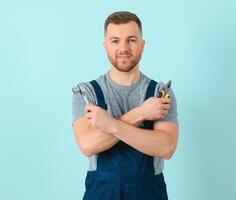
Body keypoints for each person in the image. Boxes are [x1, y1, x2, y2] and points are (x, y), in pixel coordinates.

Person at [72, 11, 179, 200]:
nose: (123, 48)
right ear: (105, 46)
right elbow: (88, 145)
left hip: (149, 192)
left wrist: (109, 124)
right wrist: (140, 113)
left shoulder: (161, 93)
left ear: (142, 45)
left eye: (131, 40)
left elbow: (166, 147)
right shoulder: (86, 93)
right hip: (101, 193)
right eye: (115, 41)